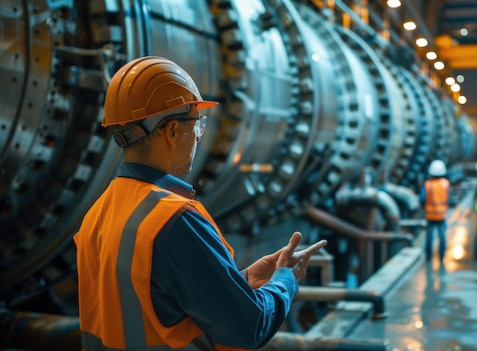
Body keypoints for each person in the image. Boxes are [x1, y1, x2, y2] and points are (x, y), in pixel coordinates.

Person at [73, 56, 328, 351]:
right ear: (171, 132)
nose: (198, 135)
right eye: (197, 124)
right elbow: (249, 327)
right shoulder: (173, 220)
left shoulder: (98, 214)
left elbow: (154, 301)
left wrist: (242, 281)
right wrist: (286, 279)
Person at [420, 160, 450, 262]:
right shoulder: (446, 184)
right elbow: (448, 198)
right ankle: (441, 256)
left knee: (429, 236)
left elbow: (422, 199)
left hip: (430, 215)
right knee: (442, 236)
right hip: (441, 215)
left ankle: (428, 256)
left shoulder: (427, 184)